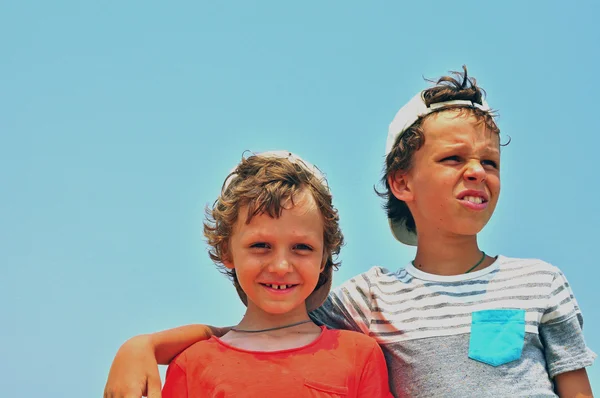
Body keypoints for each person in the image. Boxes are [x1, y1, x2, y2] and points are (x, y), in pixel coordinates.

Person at [104, 68, 595, 398]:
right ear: (401, 182)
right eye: (452, 158)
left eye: (489, 161)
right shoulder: (369, 301)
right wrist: (142, 347)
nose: (475, 171)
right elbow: (252, 332)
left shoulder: (541, 282)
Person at [123, 151, 393, 397]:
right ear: (226, 251)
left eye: (302, 247)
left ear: (323, 258)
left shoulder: (359, 355)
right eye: (260, 246)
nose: (280, 266)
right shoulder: (191, 365)